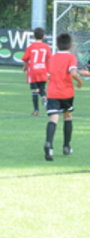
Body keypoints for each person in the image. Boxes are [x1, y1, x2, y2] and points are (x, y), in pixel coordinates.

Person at [43, 32, 83, 161]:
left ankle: (49, 144)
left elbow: (47, 76)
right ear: (70, 45)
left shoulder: (52, 58)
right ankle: (66, 146)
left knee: (53, 119)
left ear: (56, 45)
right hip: (66, 94)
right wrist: (79, 81)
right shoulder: (71, 57)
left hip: (53, 93)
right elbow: (73, 73)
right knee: (67, 117)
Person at [22, 27, 51, 115]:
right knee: (42, 89)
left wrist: (25, 67)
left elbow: (26, 59)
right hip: (43, 70)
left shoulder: (30, 47)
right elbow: (49, 58)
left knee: (35, 90)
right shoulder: (46, 47)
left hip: (33, 71)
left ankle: (36, 110)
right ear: (43, 36)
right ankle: (46, 103)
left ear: (34, 36)